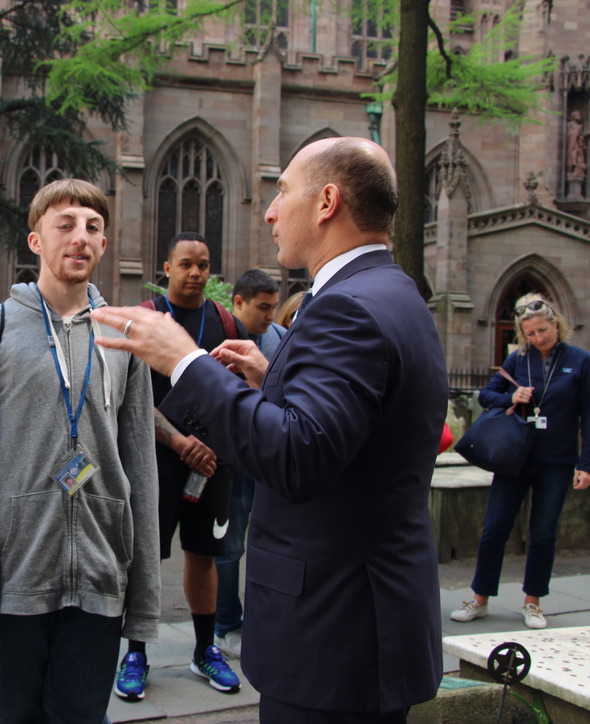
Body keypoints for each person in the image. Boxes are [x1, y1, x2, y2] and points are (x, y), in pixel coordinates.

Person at [92, 137, 448, 722]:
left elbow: (299, 457)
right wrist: (269, 383)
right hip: (367, 622)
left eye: (283, 191)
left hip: (333, 631)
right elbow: (350, 432)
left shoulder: (347, 307)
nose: (270, 210)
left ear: (327, 200)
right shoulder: (393, 291)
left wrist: (186, 361)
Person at [0, 178, 159, 724]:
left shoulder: (123, 338)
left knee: (81, 715)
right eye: (64, 225)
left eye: (92, 228)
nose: (80, 237)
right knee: (12, 712)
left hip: (101, 571)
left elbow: (140, 465)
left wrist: (144, 597)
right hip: (19, 571)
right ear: (35, 240)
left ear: (105, 244)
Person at [114, 232, 244, 701]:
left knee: (203, 555)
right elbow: (131, 397)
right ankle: (135, 654)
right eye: (186, 264)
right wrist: (179, 441)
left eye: (204, 265)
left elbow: (238, 394)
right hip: (156, 462)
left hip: (212, 465)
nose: (196, 273)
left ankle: (205, 649)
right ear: (166, 268)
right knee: (145, 557)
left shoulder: (226, 322)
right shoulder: (145, 321)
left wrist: (211, 446)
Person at [450, 294, 590, 629]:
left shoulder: (579, 361)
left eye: (544, 330)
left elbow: (589, 414)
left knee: (543, 532)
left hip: (556, 461)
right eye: (531, 334)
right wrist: (511, 396)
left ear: (556, 324)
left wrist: (585, 464)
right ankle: (480, 598)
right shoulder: (518, 360)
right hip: (515, 458)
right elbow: (486, 395)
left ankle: (533, 602)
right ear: (522, 334)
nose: (539, 338)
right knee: (495, 528)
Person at [211, 268, 285, 662]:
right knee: (230, 546)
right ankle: (227, 624)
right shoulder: (219, 336)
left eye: (274, 307)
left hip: (269, 458)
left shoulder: (277, 339)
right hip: (234, 461)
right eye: (263, 307)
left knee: (269, 543)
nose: (271, 315)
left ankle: (262, 621)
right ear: (238, 302)